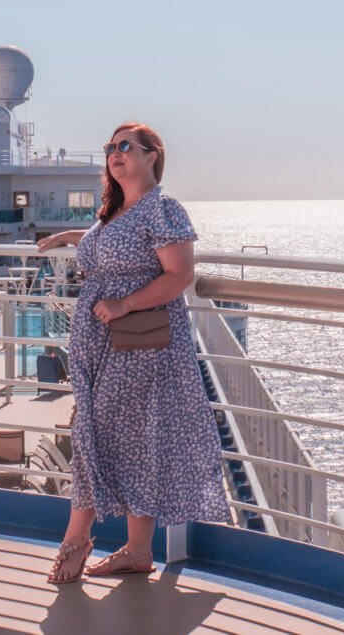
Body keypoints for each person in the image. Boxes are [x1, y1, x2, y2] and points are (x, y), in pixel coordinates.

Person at [36, 122, 231, 584]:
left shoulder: (162, 208)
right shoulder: (115, 213)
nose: (115, 153)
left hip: (141, 346)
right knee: (127, 439)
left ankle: (76, 539)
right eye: (110, 147)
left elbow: (180, 273)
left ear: (152, 156)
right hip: (104, 347)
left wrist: (124, 303)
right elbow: (114, 252)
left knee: (94, 433)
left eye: (126, 146)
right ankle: (138, 551)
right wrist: (72, 236)